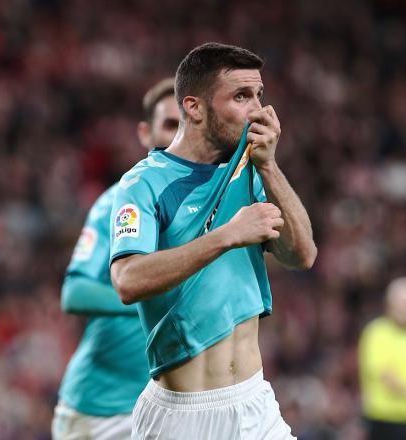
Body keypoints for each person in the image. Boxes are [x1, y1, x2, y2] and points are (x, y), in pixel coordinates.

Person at [109, 42, 317, 439]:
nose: (258, 110)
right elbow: (128, 280)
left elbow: (302, 254)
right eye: (241, 96)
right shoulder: (144, 183)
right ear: (194, 107)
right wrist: (228, 235)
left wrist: (269, 167)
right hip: (182, 418)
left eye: (259, 95)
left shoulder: (250, 170)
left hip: (255, 404)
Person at [51, 78, 180, 440]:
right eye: (169, 125)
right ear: (145, 134)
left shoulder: (208, 204)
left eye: (187, 125)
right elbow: (75, 293)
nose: (178, 136)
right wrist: (154, 303)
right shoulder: (119, 202)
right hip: (104, 411)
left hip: (169, 405)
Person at [358, 277, 406, 440]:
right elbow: (385, 377)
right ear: (389, 303)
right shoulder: (376, 332)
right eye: (403, 302)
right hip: (383, 421)